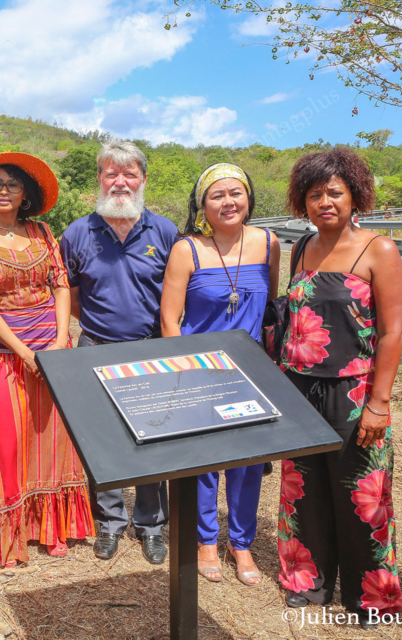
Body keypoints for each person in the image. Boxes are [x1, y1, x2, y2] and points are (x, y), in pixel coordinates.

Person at [277, 147, 402, 629]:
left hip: (354, 395)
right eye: (314, 194)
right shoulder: (301, 249)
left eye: (335, 192)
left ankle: (370, 593)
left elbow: (392, 333)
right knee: (303, 488)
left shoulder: (381, 250)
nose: (325, 202)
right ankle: (306, 579)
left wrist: (379, 403)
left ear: (355, 196)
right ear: (302, 202)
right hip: (299, 390)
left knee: (362, 494)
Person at [0, 152, 94, 570]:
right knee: (7, 441)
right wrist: (25, 352)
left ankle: (53, 526)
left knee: (52, 438)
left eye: (12, 185)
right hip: (4, 354)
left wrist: (57, 341)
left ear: (25, 194)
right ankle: (7, 531)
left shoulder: (42, 232)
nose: (3, 191)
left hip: (51, 350)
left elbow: (60, 285)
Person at [59, 140, 177, 565]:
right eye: (112, 173)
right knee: (104, 443)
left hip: (150, 350)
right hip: (95, 348)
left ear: (143, 180)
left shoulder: (163, 231)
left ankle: (151, 525)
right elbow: (69, 296)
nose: (121, 182)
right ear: (100, 179)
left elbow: (175, 295)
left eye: (130, 174)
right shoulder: (77, 233)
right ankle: (110, 522)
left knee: (152, 440)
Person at [161, 163, 279, 586]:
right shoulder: (187, 250)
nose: (228, 202)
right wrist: (184, 371)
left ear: (248, 198)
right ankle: (206, 539)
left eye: (236, 193)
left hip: (253, 371)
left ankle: (241, 544)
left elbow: (269, 311)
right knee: (205, 462)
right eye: (217, 195)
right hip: (201, 372)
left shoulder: (268, 243)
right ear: (201, 205)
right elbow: (171, 319)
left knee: (249, 462)